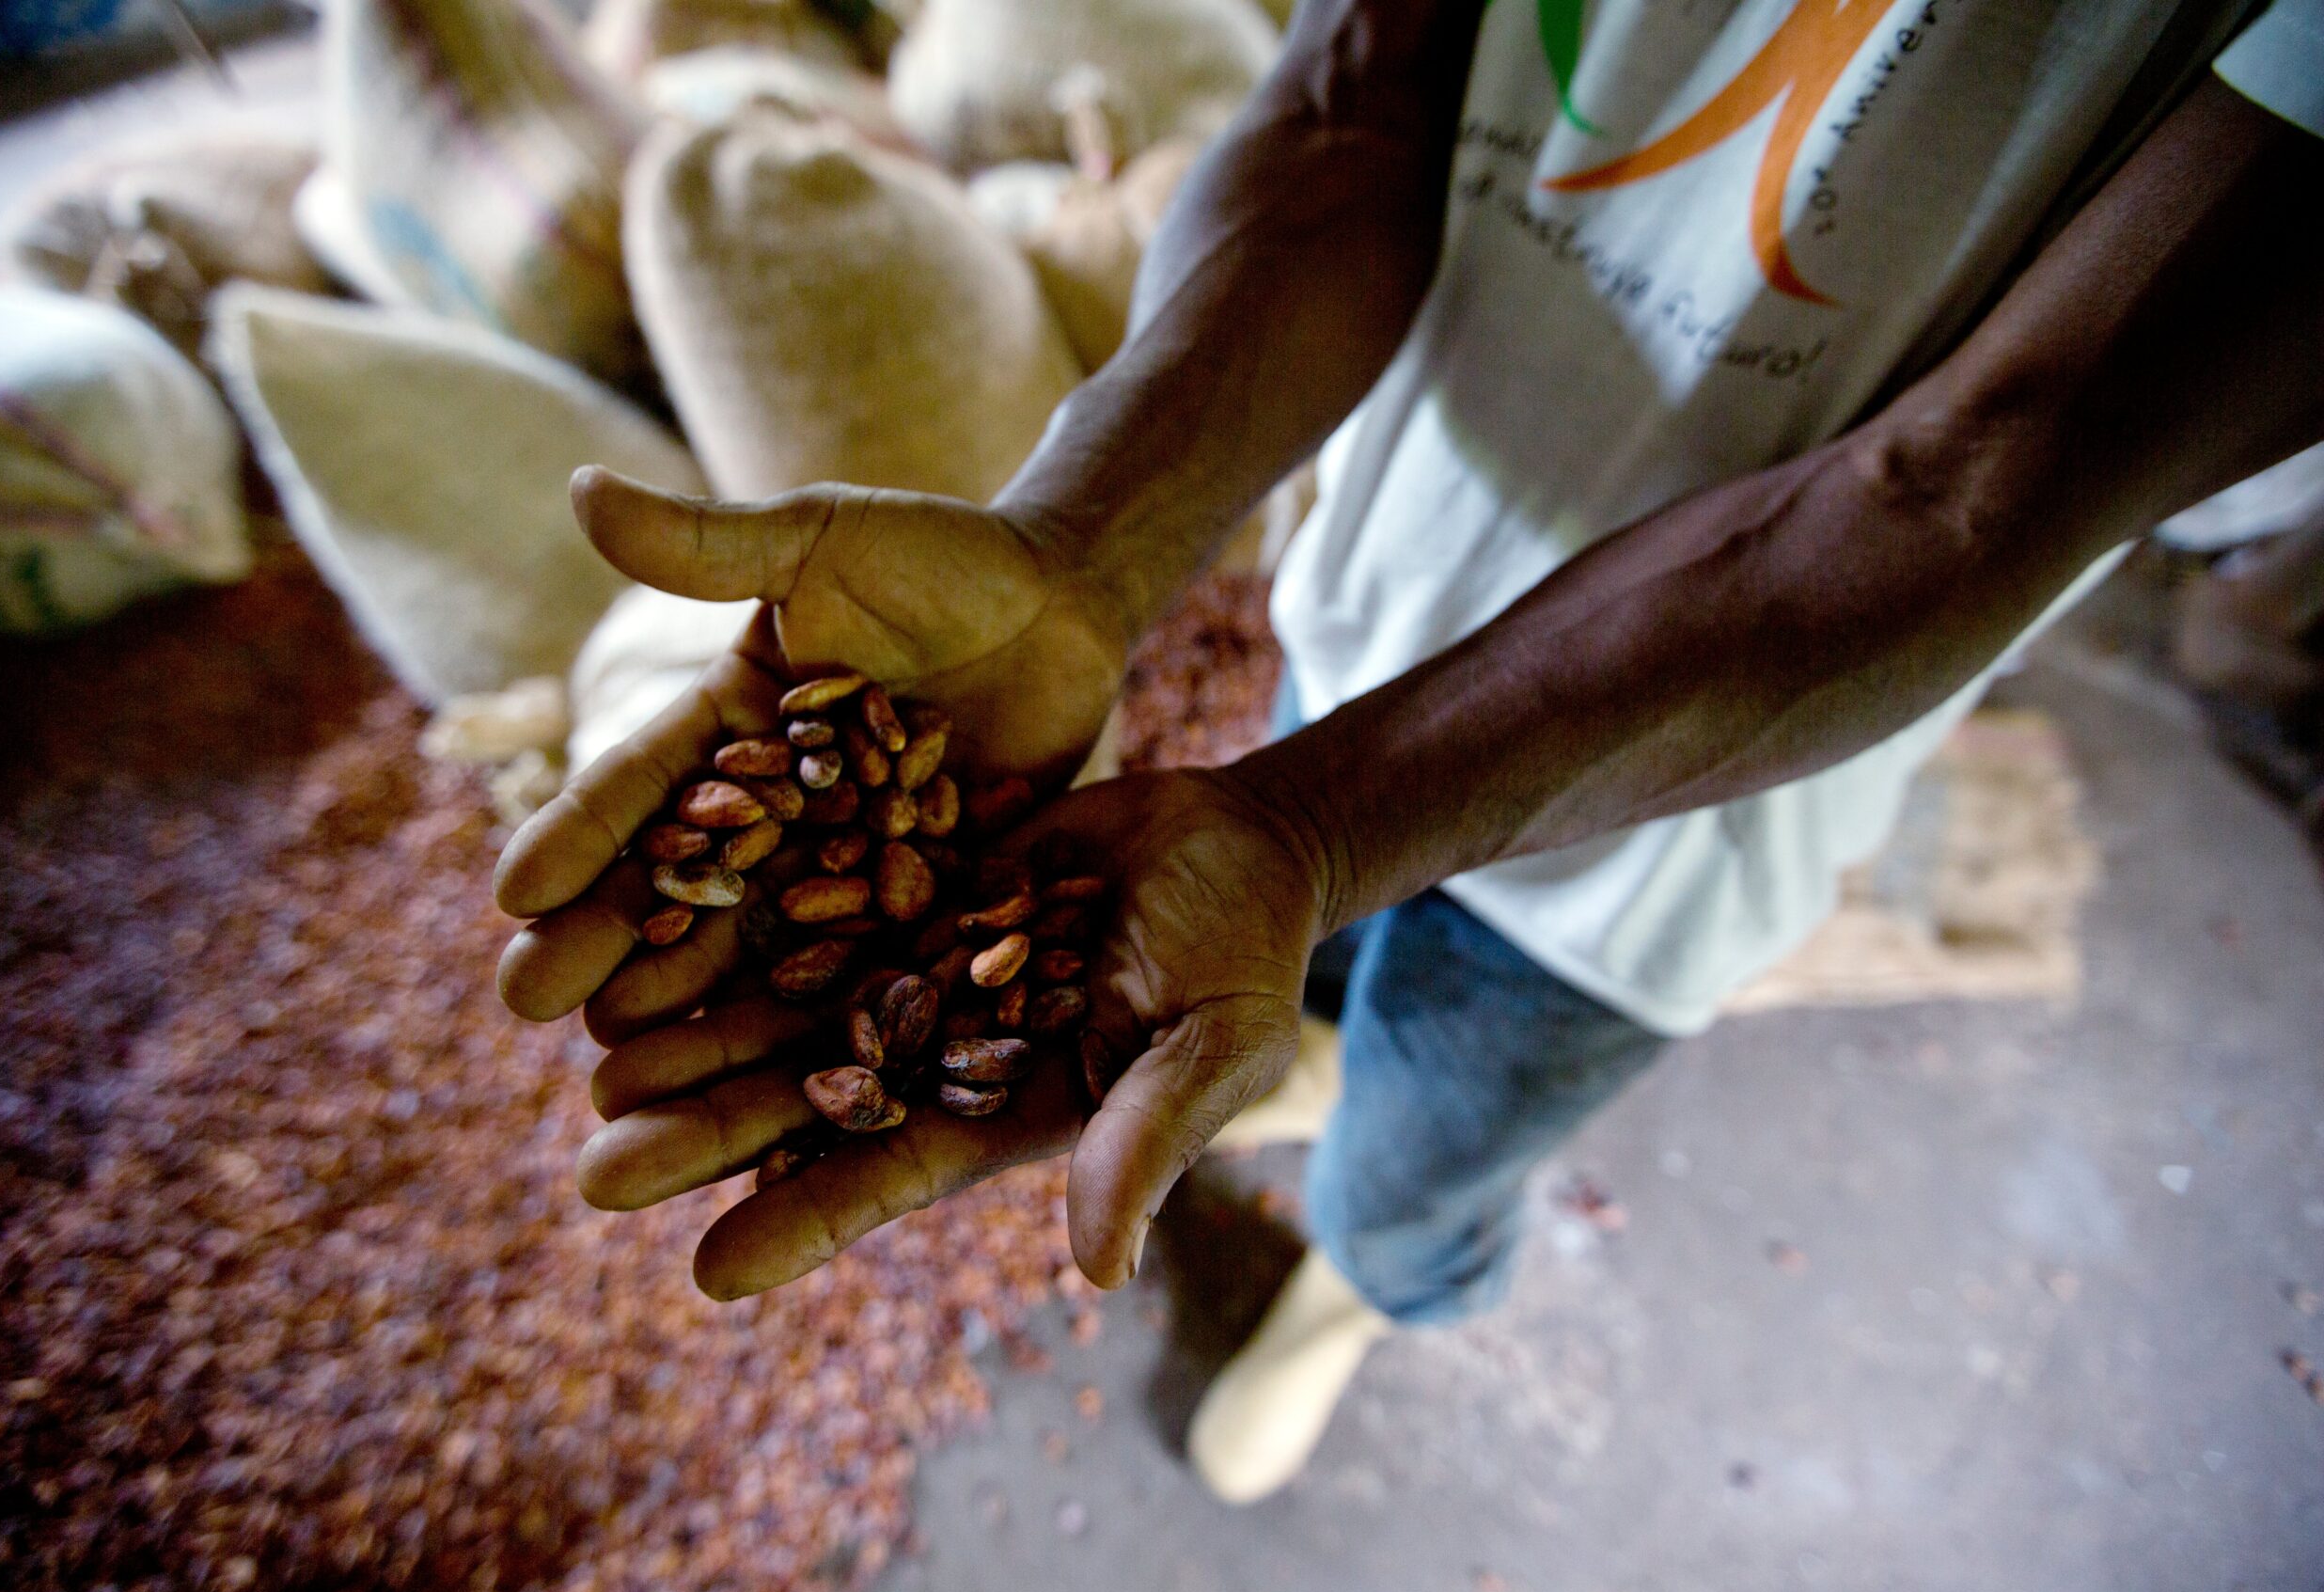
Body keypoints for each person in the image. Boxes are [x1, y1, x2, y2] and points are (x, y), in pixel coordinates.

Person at [495, 0, 2324, 1504]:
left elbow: (1964, 482)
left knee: (1421, 1140)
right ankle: (1306, 1024)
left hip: (1663, 836)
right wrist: (1089, 545)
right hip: (1370, 591)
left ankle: (1371, 1282)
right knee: (1292, 959)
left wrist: (1302, 821)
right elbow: (1353, 104)